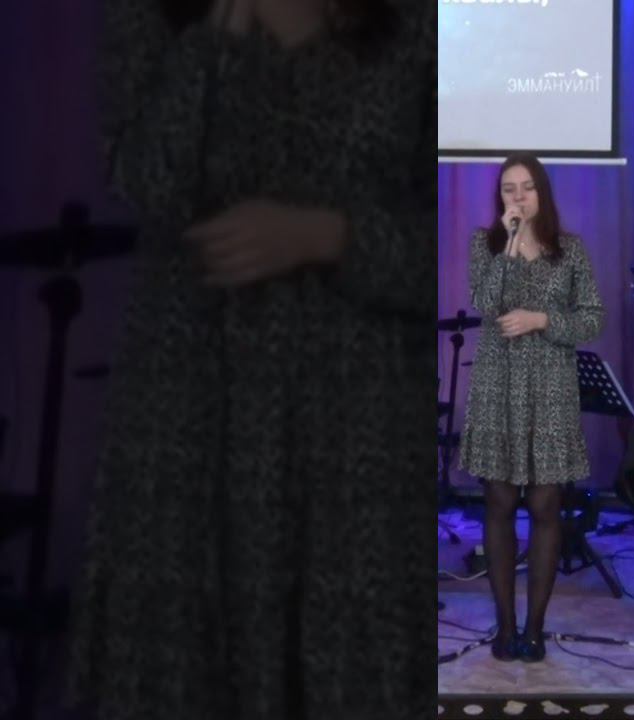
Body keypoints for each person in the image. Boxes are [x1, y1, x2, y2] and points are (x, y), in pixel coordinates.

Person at [68, 1, 433, 718]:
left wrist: (329, 236)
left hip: (354, 425)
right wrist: (215, 45)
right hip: (189, 417)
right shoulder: (155, 14)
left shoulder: (414, 23)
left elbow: (466, 251)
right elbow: (144, 182)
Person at [458, 153, 605, 663]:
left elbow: (593, 318)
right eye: (508, 189)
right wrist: (509, 247)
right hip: (498, 387)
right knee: (498, 504)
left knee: (545, 507)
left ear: (542, 192)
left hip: (550, 390)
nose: (518, 197)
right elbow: (484, 301)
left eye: (526, 187)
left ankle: (535, 629)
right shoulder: (485, 244)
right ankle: (505, 627)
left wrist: (542, 318)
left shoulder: (570, 250)